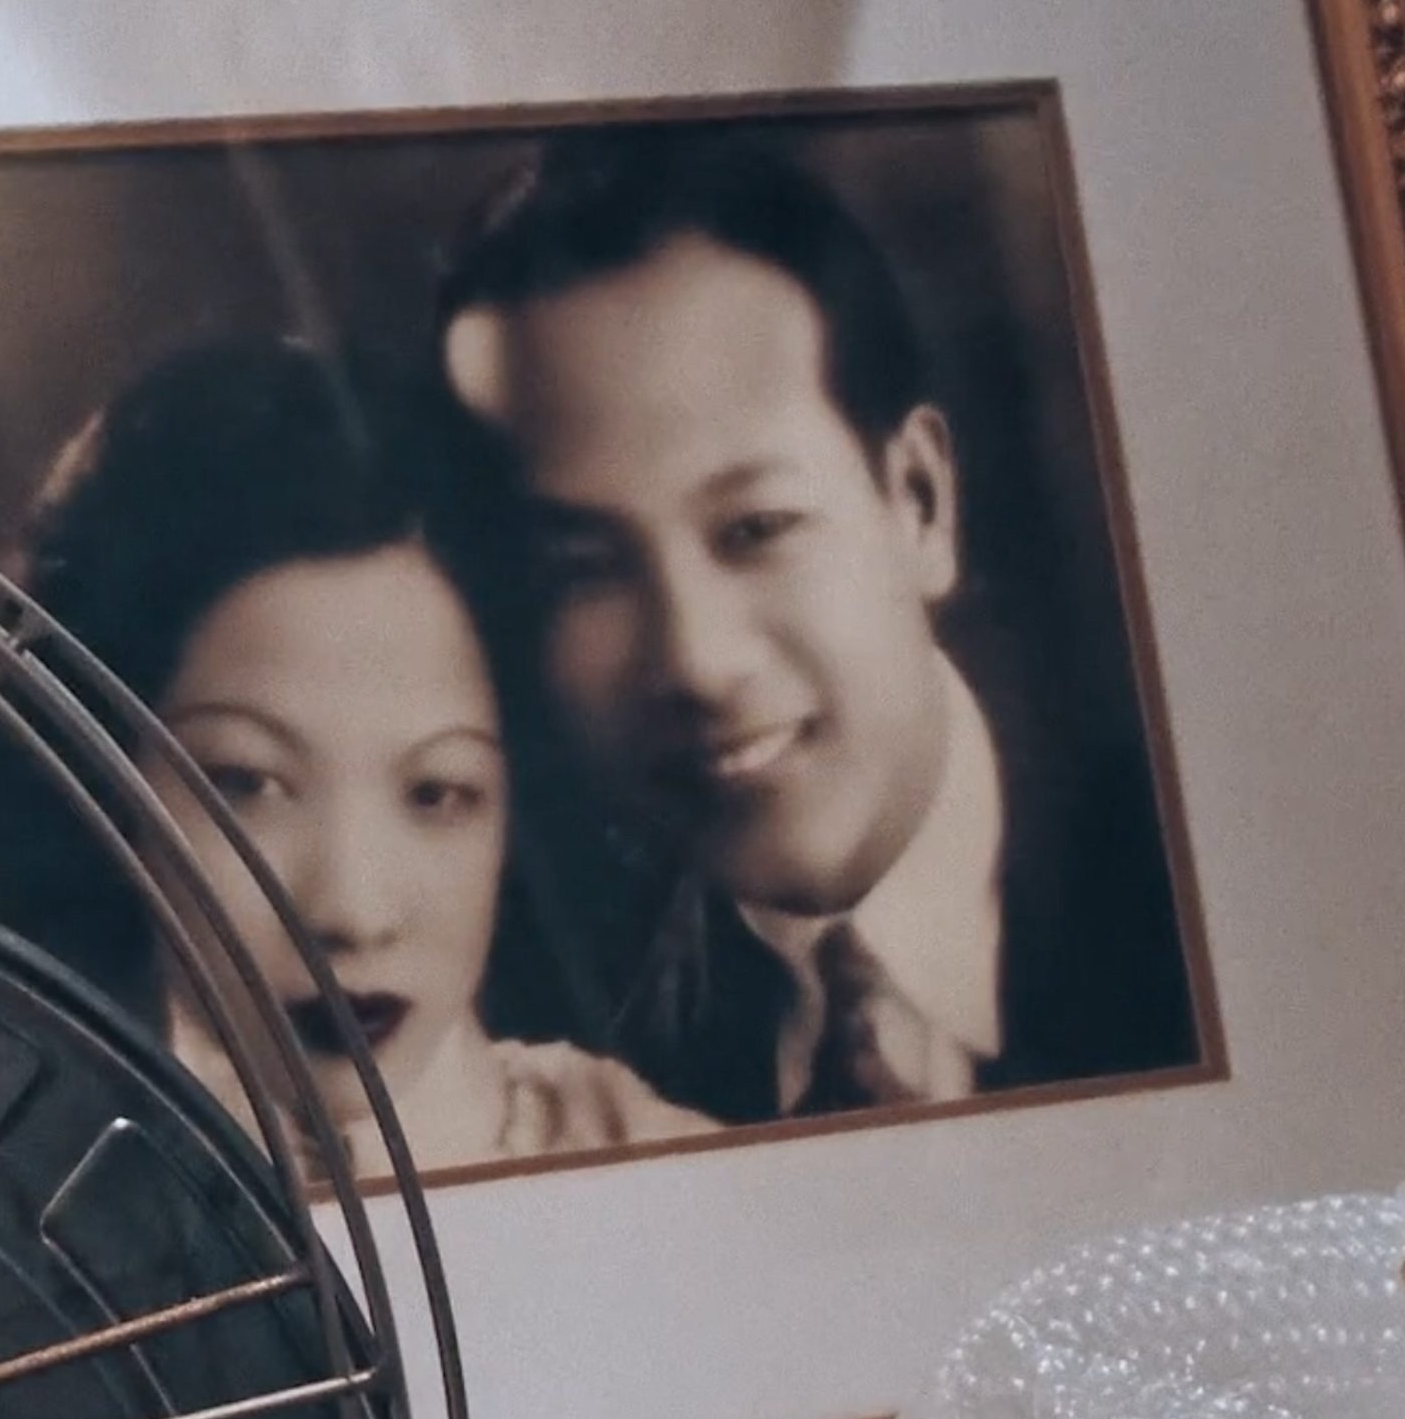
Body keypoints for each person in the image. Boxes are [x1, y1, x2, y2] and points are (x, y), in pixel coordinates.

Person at [434, 134, 1201, 1123]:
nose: (694, 660)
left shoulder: (1198, 892)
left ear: (918, 502)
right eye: (584, 570)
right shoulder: (552, 1049)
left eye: (756, 529)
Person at [0, 338, 708, 1175]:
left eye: (437, 793)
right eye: (246, 785)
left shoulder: (672, 1171)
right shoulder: (7, 1206)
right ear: (103, 783)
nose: (352, 913)